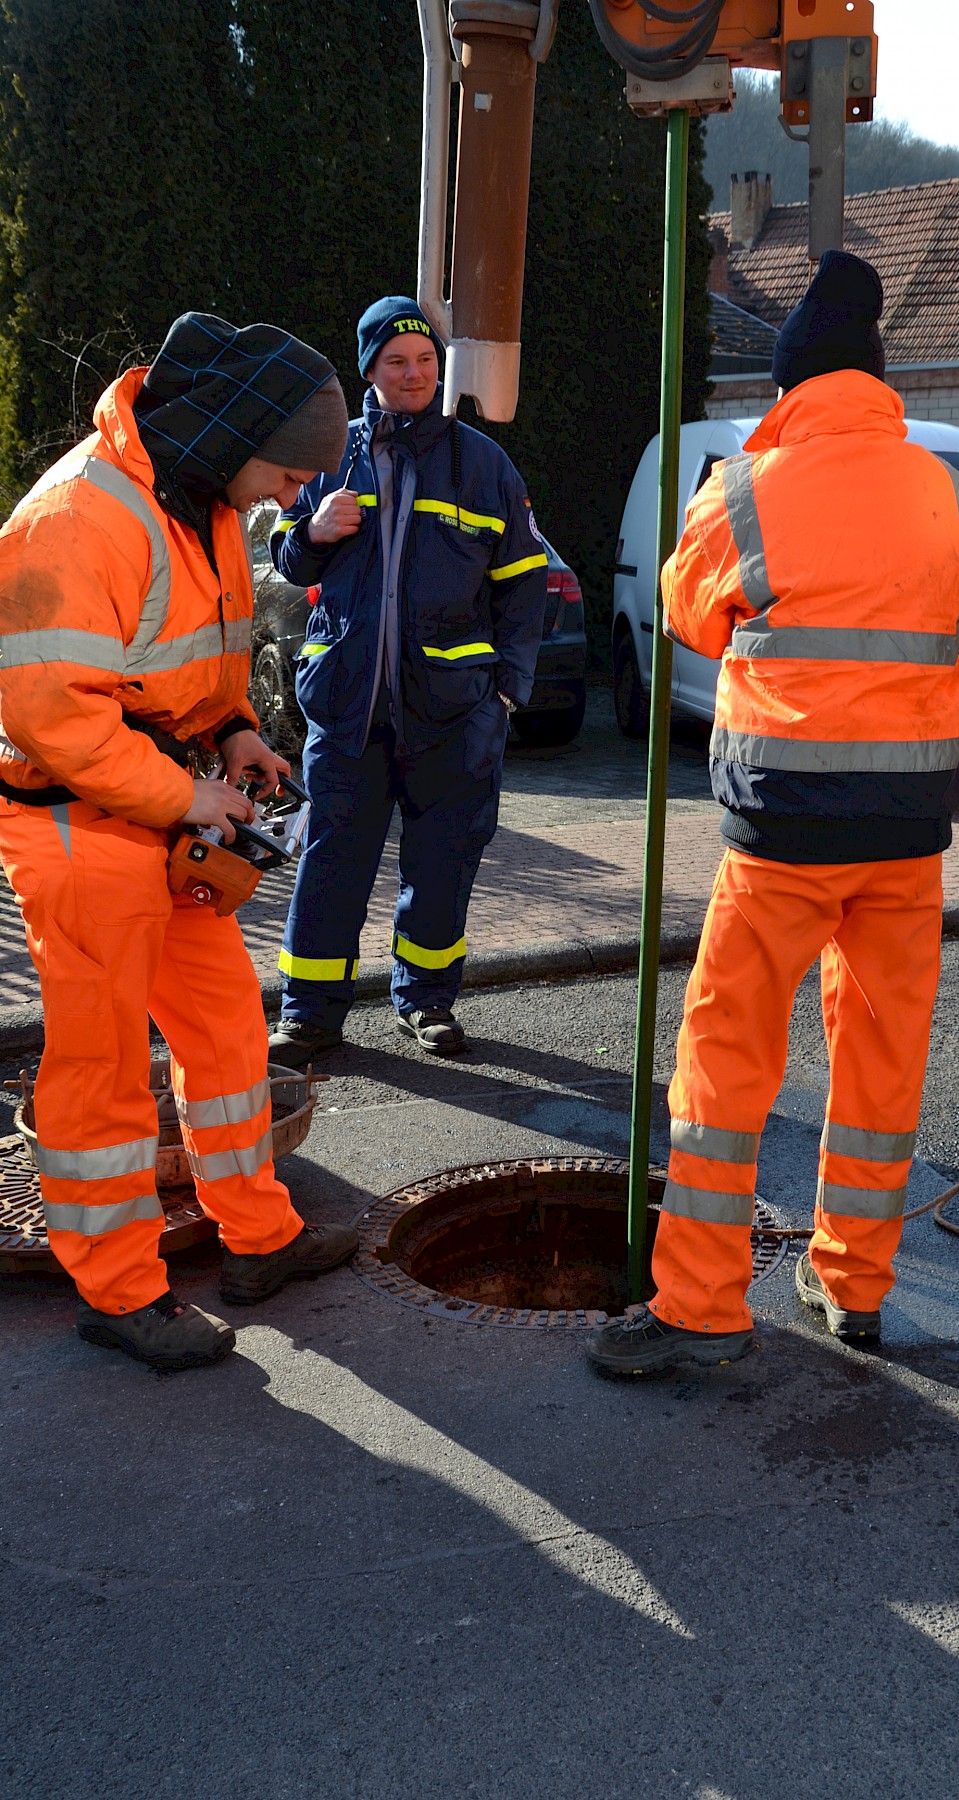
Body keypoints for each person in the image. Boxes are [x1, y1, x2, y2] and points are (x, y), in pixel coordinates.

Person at [586, 252, 959, 1377]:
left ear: (791, 386)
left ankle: (702, 1305)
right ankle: (853, 1285)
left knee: (727, 1059)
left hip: (785, 831)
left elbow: (686, 618)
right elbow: (955, 611)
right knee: (880, 1055)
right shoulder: (952, 493)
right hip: (910, 833)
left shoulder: (746, 489)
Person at [0, 313, 361, 1372]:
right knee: (102, 1069)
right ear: (236, 433)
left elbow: (194, 664)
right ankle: (116, 1294)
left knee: (225, 1039)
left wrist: (235, 731)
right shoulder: (75, 517)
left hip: (158, 820)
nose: (295, 496)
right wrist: (191, 798)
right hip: (77, 829)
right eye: (289, 473)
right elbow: (52, 717)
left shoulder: (193, 496)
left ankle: (259, 1240)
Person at [265, 296, 547, 1067]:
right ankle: (310, 1016)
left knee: (441, 863)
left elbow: (526, 585)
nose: (415, 374)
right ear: (369, 371)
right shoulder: (330, 454)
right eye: (398, 361)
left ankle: (426, 1003)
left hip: (454, 713)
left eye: (426, 361)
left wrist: (507, 691)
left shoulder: (483, 465)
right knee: (330, 863)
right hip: (348, 711)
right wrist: (313, 531)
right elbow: (287, 558)